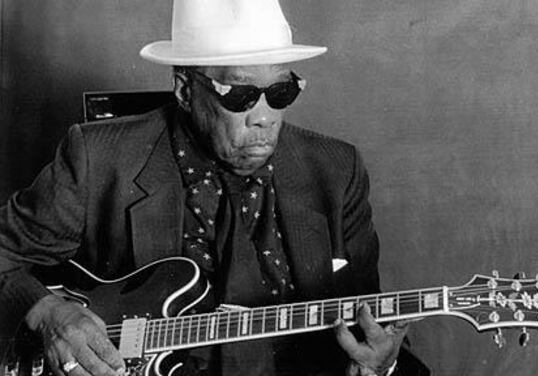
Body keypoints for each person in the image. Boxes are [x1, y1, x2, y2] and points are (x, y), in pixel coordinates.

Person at [0, 0, 429, 375]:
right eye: (240, 95)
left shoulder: (335, 170)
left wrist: (381, 365)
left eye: (281, 91)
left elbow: (369, 324)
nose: (265, 117)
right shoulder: (100, 159)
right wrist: (47, 311)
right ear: (185, 90)